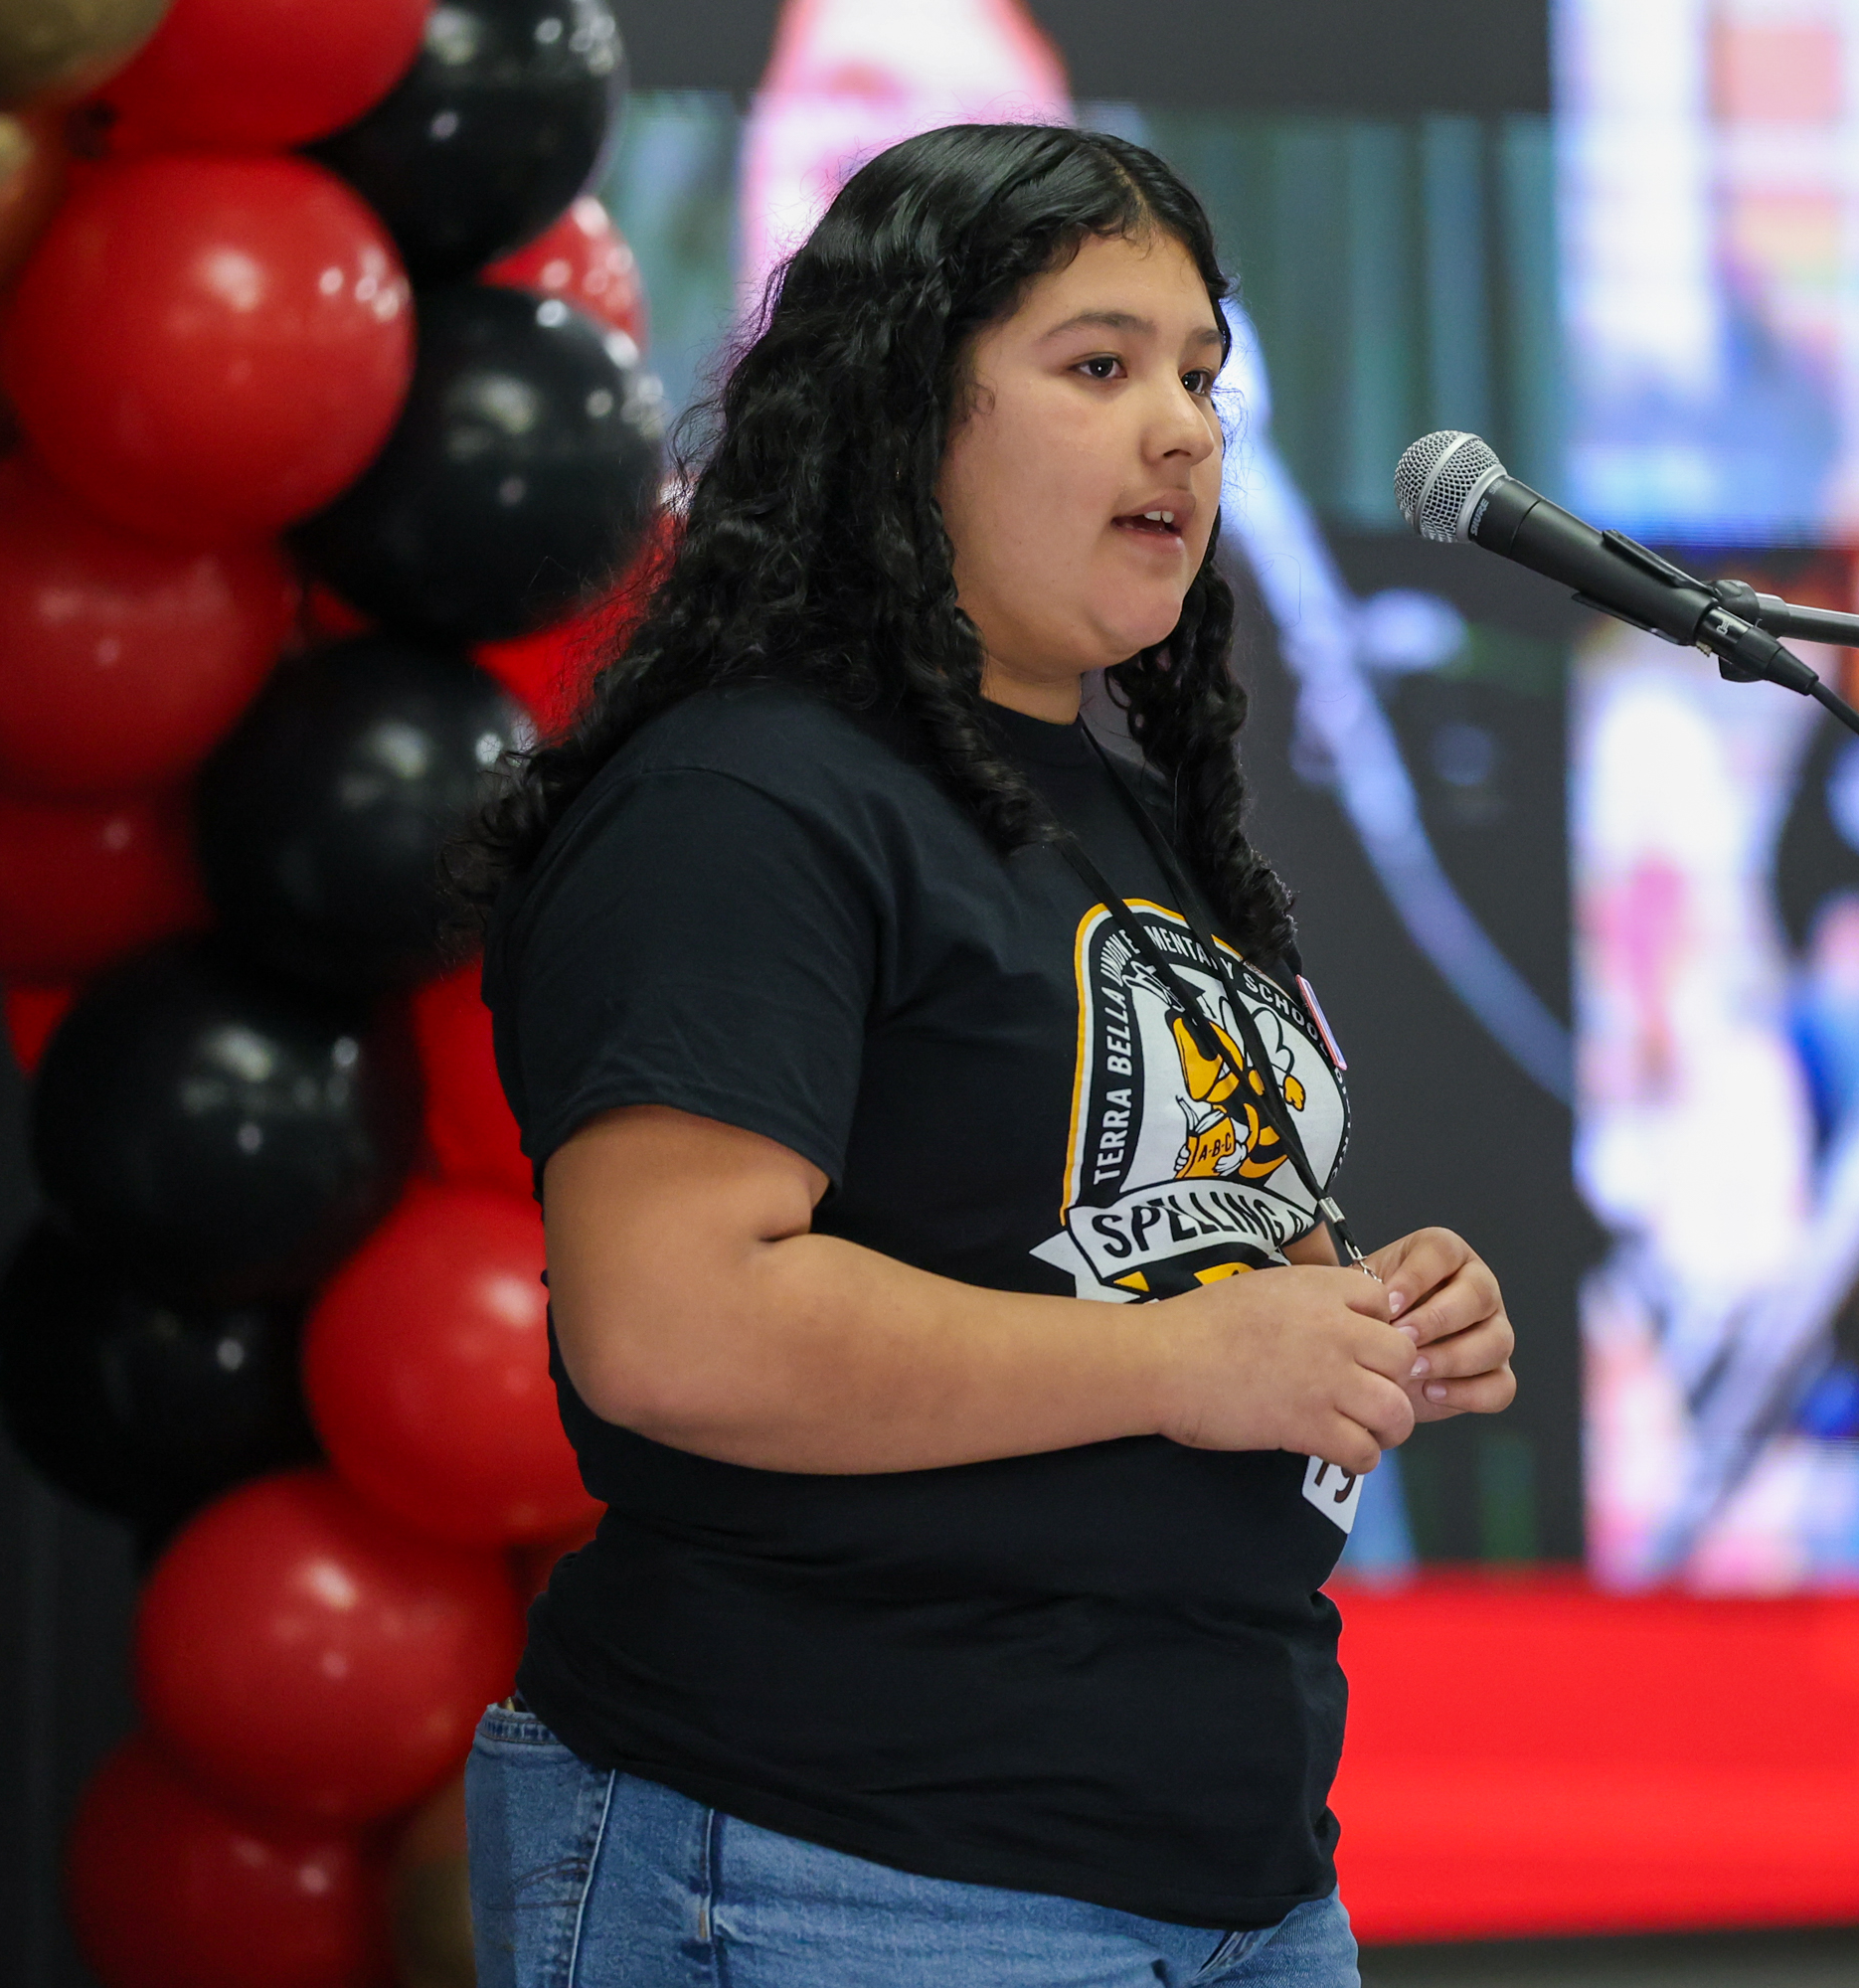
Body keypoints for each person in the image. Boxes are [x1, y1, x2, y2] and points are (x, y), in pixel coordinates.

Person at [454, 123, 1518, 1987]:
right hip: (840, 1858)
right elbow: (672, 1327)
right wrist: (1189, 1359)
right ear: (900, 410)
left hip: (1236, 1871)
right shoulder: (748, 796)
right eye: (1099, 367)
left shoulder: (1122, 808)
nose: (1183, 429)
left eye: (1201, 374)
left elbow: (1101, 1230)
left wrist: (1358, 1314)